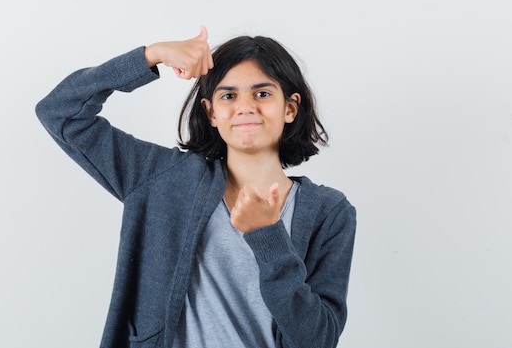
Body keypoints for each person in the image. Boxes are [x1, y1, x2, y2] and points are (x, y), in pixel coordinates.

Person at [35, 26, 357, 348]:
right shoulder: (163, 178)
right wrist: (152, 55)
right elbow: (60, 112)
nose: (245, 106)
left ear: (290, 107)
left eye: (262, 93)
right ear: (210, 112)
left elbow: (318, 339)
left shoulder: (328, 212)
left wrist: (268, 237)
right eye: (228, 96)